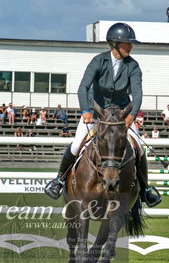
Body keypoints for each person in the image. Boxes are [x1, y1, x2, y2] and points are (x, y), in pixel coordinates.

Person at [44, 22, 161, 207]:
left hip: (121, 115)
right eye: (127, 44)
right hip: (96, 113)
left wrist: (131, 116)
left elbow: (137, 94)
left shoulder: (133, 66)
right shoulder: (98, 61)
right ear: (114, 44)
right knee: (76, 144)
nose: (130, 47)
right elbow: (83, 87)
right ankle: (58, 181)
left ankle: (146, 190)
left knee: (138, 147)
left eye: (130, 44)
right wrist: (85, 111)